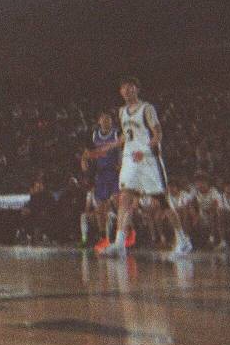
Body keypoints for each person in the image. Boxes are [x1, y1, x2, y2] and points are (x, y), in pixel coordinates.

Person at [99, 77, 192, 257]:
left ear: (137, 90)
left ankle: (183, 239)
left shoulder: (147, 108)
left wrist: (145, 150)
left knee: (162, 200)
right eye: (125, 88)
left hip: (148, 159)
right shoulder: (121, 112)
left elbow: (158, 134)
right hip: (129, 159)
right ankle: (119, 243)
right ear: (121, 91)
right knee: (124, 198)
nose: (128, 91)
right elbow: (127, 136)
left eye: (131, 88)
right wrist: (111, 145)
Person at [82, 112, 121, 250]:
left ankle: (126, 234)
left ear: (111, 122)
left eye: (108, 120)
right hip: (101, 174)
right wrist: (85, 161)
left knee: (118, 204)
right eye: (104, 120)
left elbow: (122, 149)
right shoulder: (94, 135)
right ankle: (103, 236)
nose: (106, 122)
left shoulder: (116, 133)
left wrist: (121, 165)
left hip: (114, 173)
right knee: (100, 209)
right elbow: (88, 152)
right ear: (99, 121)